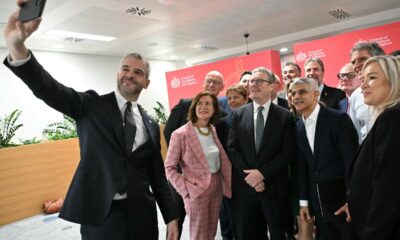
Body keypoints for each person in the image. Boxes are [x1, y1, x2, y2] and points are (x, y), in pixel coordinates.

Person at [3, 2, 178, 239]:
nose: (130, 74)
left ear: (146, 82)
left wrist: (171, 217)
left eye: (138, 72)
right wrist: (17, 46)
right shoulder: (90, 105)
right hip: (101, 216)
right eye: (125, 68)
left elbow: (157, 175)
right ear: (118, 74)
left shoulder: (149, 123)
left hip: (142, 216)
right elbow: (49, 88)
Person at [227, 67, 296, 240]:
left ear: (272, 86)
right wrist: (252, 178)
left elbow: (287, 152)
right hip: (246, 191)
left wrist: (262, 174)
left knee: (279, 234)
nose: (254, 84)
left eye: (259, 81)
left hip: (274, 190)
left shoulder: (285, 116)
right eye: (252, 81)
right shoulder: (239, 115)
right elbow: (233, 149)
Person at [289, 78, 358, 240]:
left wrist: (352, 199)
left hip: (343, 202)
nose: (296, 96)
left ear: (316, 95)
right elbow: (302, 167)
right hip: (317, 205)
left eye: (302, 92)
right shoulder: (298, 127)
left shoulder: (339, 120)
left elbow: (352, 163)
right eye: (292, 93)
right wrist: (304, 203)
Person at [163, 70, 228, 238]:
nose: (204, 107)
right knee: (185, 226)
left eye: (208, 104)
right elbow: (169, 134)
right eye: (200, 104)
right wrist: (185, 182)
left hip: (214, 186)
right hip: (189, 181)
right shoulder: (181, 128)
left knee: (211, 231)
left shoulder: (213, 128)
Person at [347, 55, 400, 240]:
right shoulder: (387, 118)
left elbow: (389, 188)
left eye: (372, 77)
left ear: (394, 79)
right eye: (363, 79)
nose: (363, 85)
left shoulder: (392, 120)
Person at [216, 84, 249, 240]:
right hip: (231, 178)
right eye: (229, 98)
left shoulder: (254, 119)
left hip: (253, 177)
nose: (232, 101)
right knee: (230, 219)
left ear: (246, 98)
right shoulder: (222, 124)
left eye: (236, 97)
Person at [348, 42, 385, 142]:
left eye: (363, 59)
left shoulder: (394, 87)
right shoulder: (355, 95)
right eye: (353, 62)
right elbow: (355, 134)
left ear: (378, 58)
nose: (356, 65)